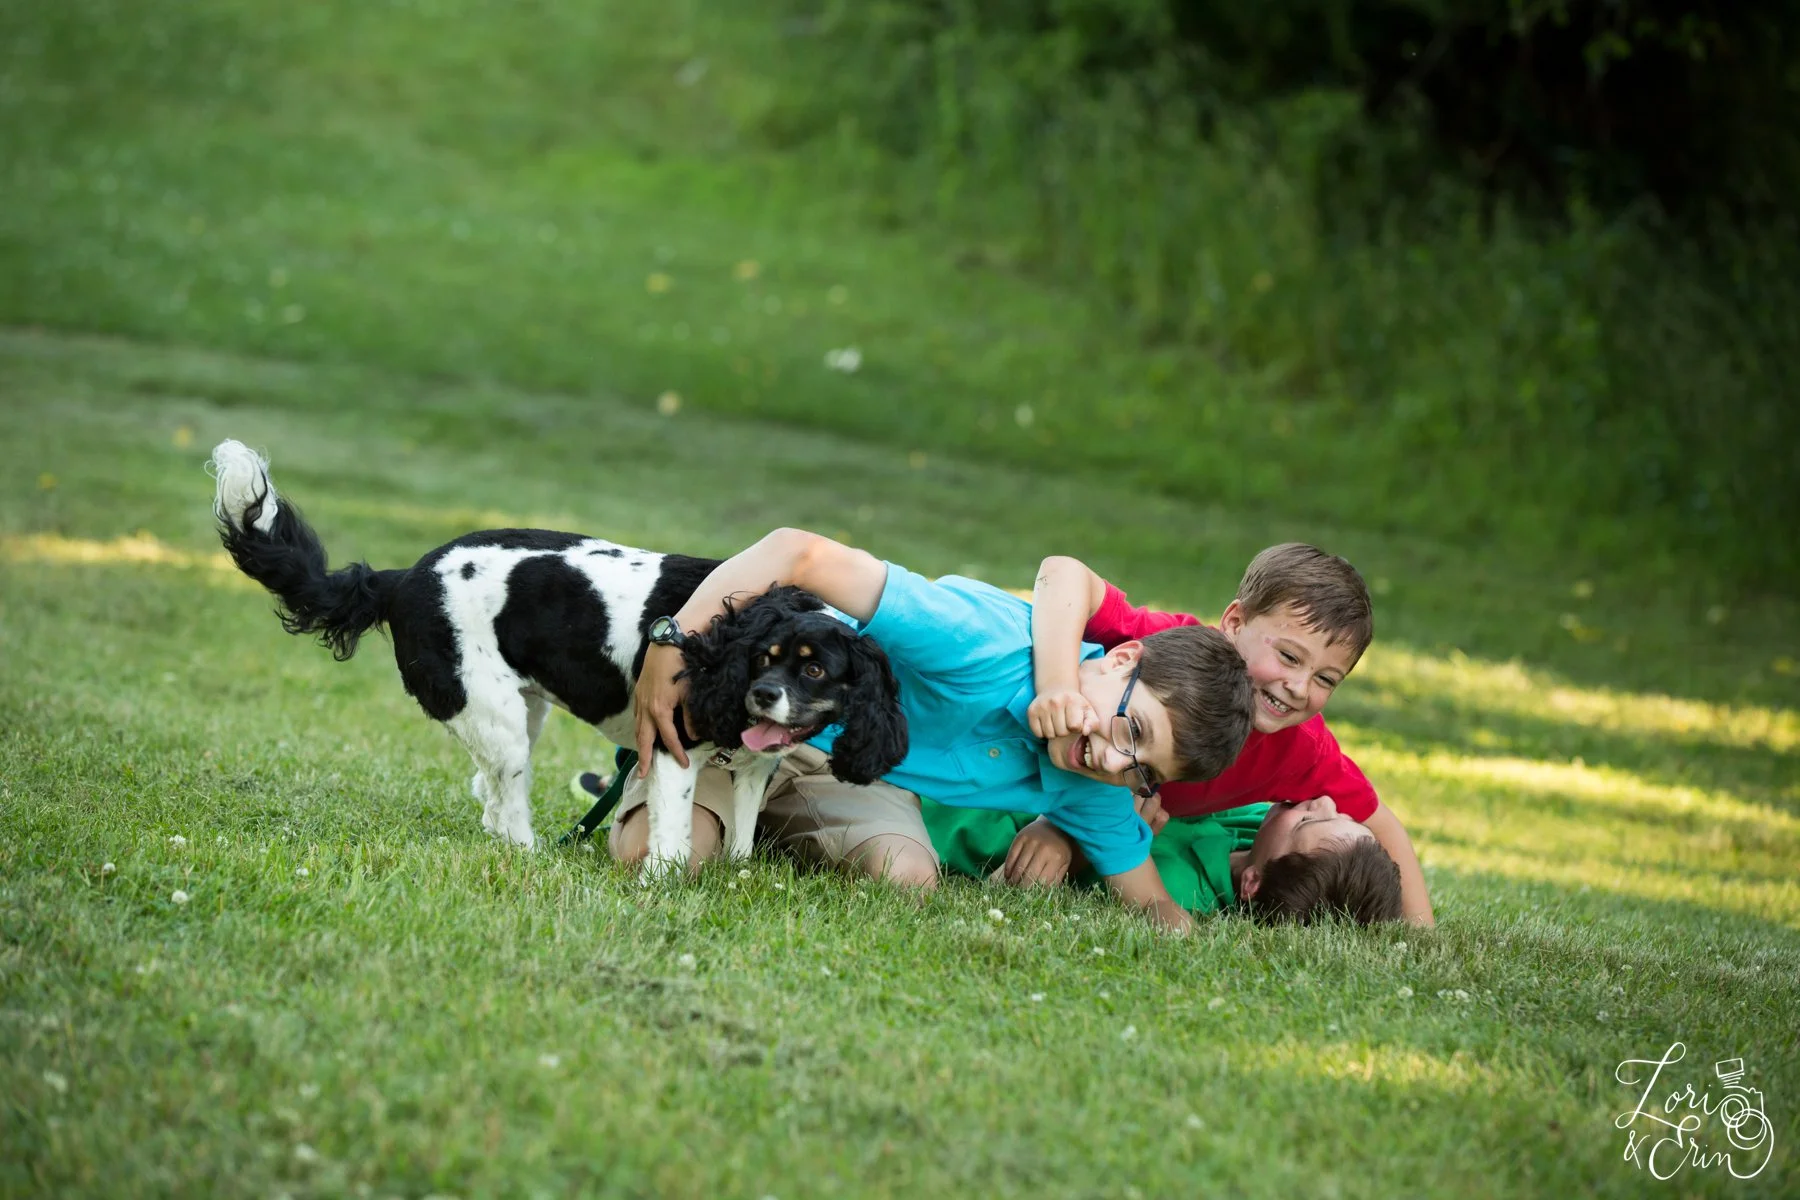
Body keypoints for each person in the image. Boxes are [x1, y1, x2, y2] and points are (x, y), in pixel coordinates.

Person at [616, 528, 1256, 931]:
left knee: (907, 883)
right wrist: (674, 640)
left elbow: (1153, 908)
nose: (1115, 762)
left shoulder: (1087, 776)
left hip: (856, 766)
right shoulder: (978, 640)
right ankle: (712, 814)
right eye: (1134, 729)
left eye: (1143, 772)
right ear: (1121, 659)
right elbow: (797, 551)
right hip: (755, 713)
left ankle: (775, 835)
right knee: (659, 861)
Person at [1007, 545, 1432, 925]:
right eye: (1288, 656)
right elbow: (1062, 571)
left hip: (1100, 819)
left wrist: (1419, 935)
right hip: (1010, 752)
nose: (1299, 687)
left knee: (1137, 813)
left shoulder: (1299, 749)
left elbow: (1381, 825)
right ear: (1233, 622)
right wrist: (1058, 686)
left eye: (1326, 678)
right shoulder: (1170, 654)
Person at [926, 796, 1403, 923]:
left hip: (957, 816)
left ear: (1253, 884)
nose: (1319, 799)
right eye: (1334, 812)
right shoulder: (1257, 832)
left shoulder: (1176, 886)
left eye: (1306, 822)